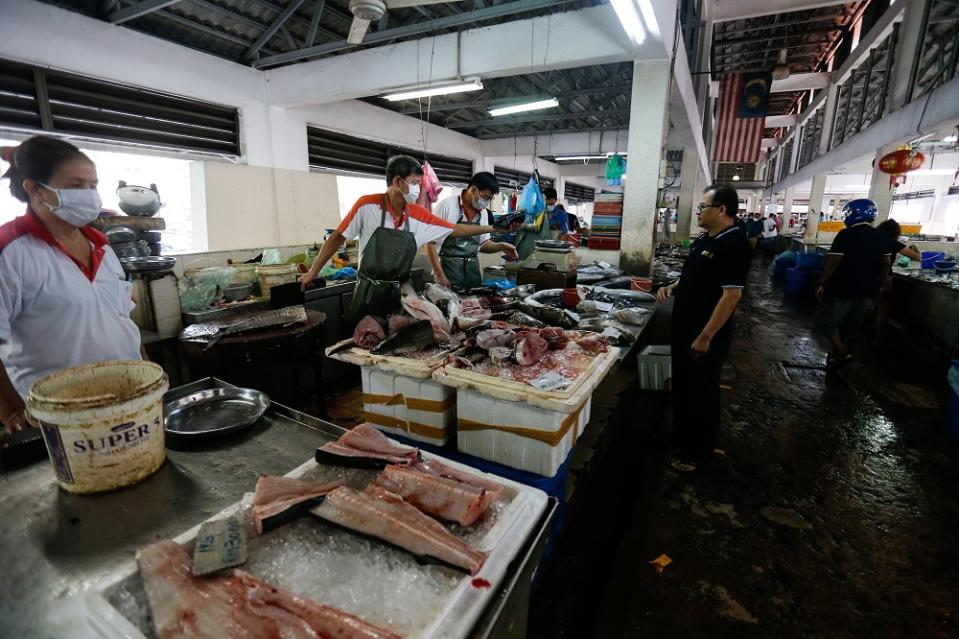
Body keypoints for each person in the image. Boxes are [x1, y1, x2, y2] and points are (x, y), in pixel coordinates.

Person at [0, 136, 142, 436]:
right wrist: (11, 410)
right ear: (35, 188)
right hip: (57, 416)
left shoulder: (100, 245)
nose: (89, 195)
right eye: (76, 185)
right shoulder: (10, 252)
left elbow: (122, 321)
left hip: (128, 401)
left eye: (93, 185)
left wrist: (148, 372)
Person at [298, 156, 510, 322]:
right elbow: (337, 237)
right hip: (367, 291)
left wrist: (493, 228)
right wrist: (312, 273)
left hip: (400, 290)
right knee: (365, 339)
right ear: (398, 182)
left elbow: (453, 229)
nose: (418, 188)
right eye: (415, 182)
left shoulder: (418, 213)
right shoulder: (367, 205)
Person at [655, 184, 752, 473]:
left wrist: (706, 336)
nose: (698, 212)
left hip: (704, 336)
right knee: (684, 388)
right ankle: (682, 438)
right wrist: (672, 286)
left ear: (721, 209)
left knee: (702, 395)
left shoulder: (735, 245)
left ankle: (698, 453)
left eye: (703, 207)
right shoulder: (705, 240)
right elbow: (694, 276)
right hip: (684, 329)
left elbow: (731, 296)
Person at [814, 199, 891, 367]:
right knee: (852, 325)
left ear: (852, 214)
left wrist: (821, 281)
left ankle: (842, 353)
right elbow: (886, 263)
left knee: (828, 322)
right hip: (866, 289)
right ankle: (839, 354)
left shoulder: (846, 234)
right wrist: (881, 285)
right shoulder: (882, 236)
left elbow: (834, 260)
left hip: (842, 287)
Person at [426, 172, 518, 291]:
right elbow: (430, 243)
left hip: (472, 273)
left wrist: (501, 246)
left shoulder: (483, 212)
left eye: (489, 199)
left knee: (473, 306)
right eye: (485, 197)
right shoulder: (447, 205)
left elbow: (482, 244)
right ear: (473, 189)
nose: (486, 203)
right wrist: (439, 274)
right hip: (448, 271)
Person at [873, 219, 922, 343]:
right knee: (883, 310)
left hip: (867, 278)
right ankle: (877, 338)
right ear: (895, 232)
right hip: (883, 280)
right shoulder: (893, 243)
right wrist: (915, 249)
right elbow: (917, 257)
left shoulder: (873, 240)